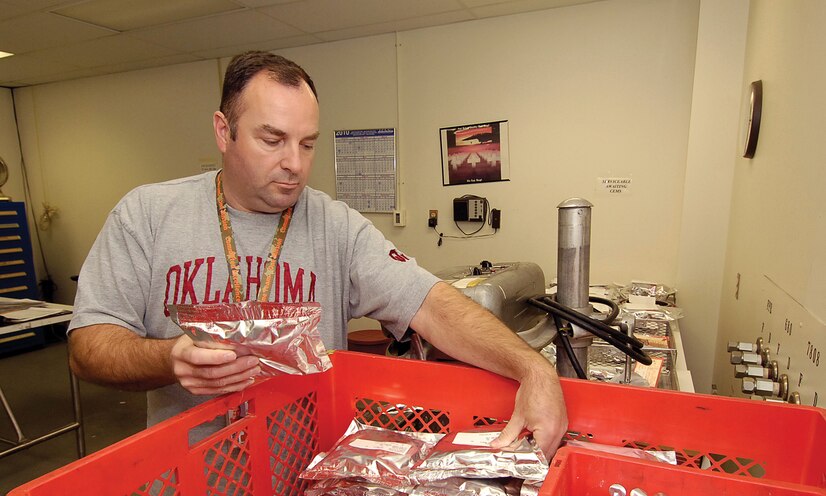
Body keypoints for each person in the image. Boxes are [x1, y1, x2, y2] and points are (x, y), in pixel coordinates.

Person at [68, 51, 567, 456]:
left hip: (307, 492)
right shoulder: (148, 215)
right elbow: (88, 346)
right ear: (224, 131)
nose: (294, 164)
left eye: (307, 144)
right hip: (187, 495)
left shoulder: (335, 225)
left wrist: (533, 368)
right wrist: (169, 358)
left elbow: (431, 302)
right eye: (272, 140)